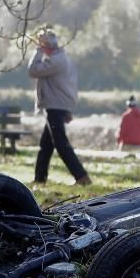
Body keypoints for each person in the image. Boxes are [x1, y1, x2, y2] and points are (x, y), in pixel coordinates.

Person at [28, 29, 92, 186]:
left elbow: (33, 70)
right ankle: (40, 179)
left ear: (46, 45)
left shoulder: (55, 61)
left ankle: (82, 177)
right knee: (46, 145)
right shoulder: (62, 58)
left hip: (55, 106)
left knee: (61, 144)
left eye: (41, 44)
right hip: (58, 105)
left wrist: (37, 52)